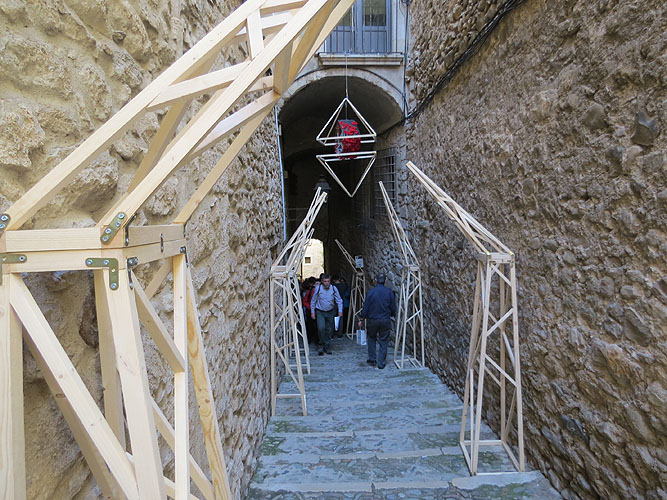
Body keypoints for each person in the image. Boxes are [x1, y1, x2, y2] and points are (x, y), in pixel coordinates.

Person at [358, 274, 396, 369]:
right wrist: (392, 314)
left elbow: (366, 307)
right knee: (383, 340)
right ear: (385, 281)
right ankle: (381, 362)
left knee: (371, 338)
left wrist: (362, 318)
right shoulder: (389, 292)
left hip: (372, 320)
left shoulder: (371, 292)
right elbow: (393, 307)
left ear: (376, 280)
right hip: (385, 319)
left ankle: (372, 359)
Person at [310, 274, 343, 355]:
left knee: (329, 329)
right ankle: (321, 344)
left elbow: (339, 300)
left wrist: (340, 310)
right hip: (320, 311)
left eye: (328, 281)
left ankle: (327, 345)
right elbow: (313, 301)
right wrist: (312, 312)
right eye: (325, 281)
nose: (327, 283)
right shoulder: (318, 289)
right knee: (321, 328)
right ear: (322, 281)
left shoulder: (333, 288)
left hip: (330, 311)